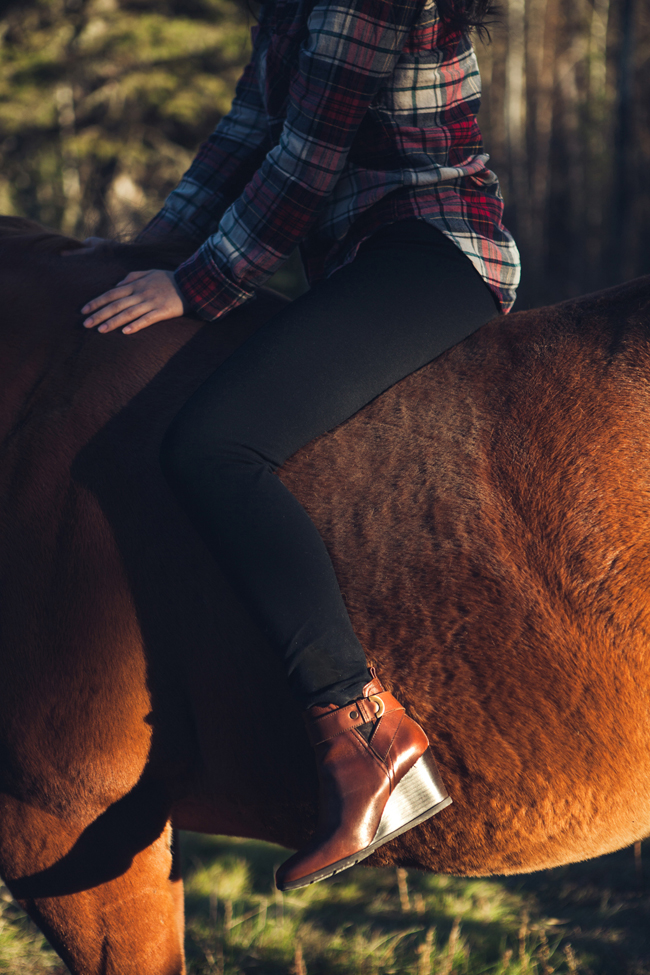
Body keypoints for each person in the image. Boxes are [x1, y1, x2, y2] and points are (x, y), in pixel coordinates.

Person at [76, 0, 520, 891]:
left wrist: (195, 283)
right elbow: (247, 129)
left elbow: (304, 159)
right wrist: (141, 251)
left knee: (215, 447)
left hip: (431, 247)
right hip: (355, 256)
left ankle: (370, 738)